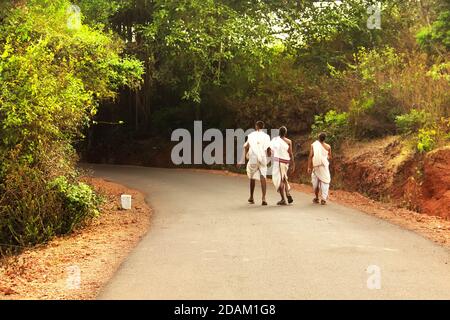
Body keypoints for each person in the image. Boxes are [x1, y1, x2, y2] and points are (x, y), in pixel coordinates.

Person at [238, 121, 271, 206]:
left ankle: (251, 197)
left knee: (252, 177)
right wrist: (269, 158)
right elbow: (268, 150)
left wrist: (242, 160)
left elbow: (246, 146)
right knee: (263, 176)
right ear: (263, 127)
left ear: (256, 126)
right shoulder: (266, 136)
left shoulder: (251, 135)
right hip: (262, 157)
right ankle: (263, 198)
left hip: (253, 157)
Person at [270, 126, 295, 205]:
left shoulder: (275, 140)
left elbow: (270, 150)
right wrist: (293, 163)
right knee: (284, 178)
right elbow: (290, 153)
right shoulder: (289, 141)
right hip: (286, 162)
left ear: (279, 132)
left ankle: (283, 199)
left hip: (278, 161)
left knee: (280, 180)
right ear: (285, 133)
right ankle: (287, 193)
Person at [307, 132, 332, 205]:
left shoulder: (314, 145)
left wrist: (309, 167)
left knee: (316, 183)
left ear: (318, 138)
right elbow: (330, 157)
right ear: (325, 139)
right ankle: (323, 199)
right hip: (324, 167)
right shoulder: (328, 147)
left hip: (316, 167)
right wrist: (324, 159)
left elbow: (310, 156)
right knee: (325, 182)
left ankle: (317, 197)